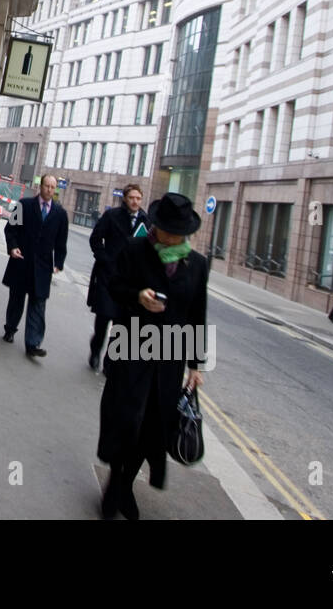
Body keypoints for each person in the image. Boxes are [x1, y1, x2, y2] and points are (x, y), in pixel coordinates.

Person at [97, 192, 207, 520]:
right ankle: (116, 482)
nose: (171, 236)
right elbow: (113, 286)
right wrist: (137, 296)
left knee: (152, 428)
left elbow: (197, 314)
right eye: (166, 229)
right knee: (126, 420)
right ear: (156, 226)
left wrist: (196, 364)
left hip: (169, 358)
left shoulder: (198, 264)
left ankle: (124, 484)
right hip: (131, 347)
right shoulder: (135, 250)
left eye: (178, 231)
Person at [1, 174, 69, 358]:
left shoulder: (60, 214)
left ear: (55, 190)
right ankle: (10, 329)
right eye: (46, 186)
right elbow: (10, 229)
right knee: (16, 299)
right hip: (22, 260)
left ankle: (33, 343)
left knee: (38, 305)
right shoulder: (23, 205)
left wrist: (59, 263)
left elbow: (61, 243)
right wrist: (13, 247)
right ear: (40, 186)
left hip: (43, 267)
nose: (49, 190)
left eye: (52, 187)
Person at [87, 184, 150, 371]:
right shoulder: (112, 216)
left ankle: (109, 362)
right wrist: (104, 259)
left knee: (120, 324)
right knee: (104, 318)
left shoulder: (146, 221)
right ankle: (96, 350)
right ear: (125, 198)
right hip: (108, 276)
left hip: (130, 281)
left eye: (138, 198)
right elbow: (95, 239)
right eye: (132, 198)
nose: (135, 201)